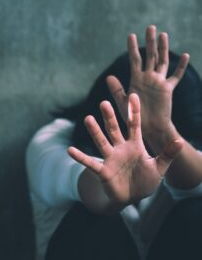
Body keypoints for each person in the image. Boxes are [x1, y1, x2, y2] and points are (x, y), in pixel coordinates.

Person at [26, 26, 202, 260]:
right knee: (90, 222)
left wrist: (160, 131)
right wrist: (111, 191)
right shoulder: (51, 140)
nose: (147, 154)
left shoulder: (186, 139)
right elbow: (75, 178)